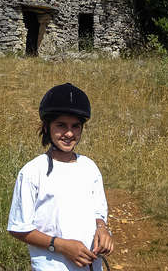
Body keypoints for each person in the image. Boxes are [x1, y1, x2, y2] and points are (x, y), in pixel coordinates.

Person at [7, 83, 114, 270]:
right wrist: (62, 246)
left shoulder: (89, 167)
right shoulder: (33, 171)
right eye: (61, 125)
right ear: (47, 127)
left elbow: (98, 213)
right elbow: (19, 228)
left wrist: (102, 229)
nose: (69, 133)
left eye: (75, 126)